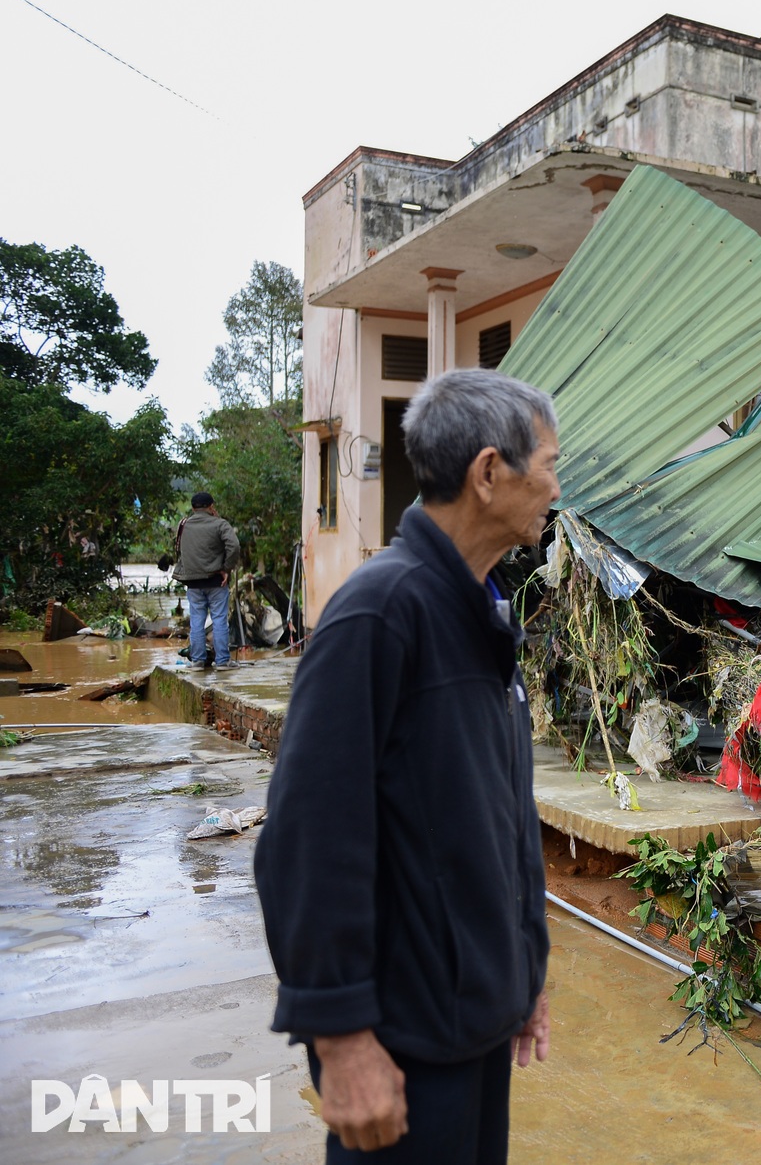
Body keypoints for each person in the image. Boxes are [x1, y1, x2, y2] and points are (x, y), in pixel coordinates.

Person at [254, 370, 560, 1163]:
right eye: (550, 466)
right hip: (403, 1046)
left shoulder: (479, 611)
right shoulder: (381, 614)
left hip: (470, 1025)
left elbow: (491, 817)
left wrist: (520, 974)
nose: (555, 489)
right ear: (489, 473)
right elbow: (309, 841)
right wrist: (343, 1040)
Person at [173, 491, 242, 669]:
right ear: (211, 506)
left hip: (193, 583)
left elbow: (179, 548)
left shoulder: (184, 525)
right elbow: (233, 546)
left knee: (196, 621)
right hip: (216, 580)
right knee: (219, 619)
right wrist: (226, 568)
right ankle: (222, 661)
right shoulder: (220, 524)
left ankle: (197, 661)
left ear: (193, 508)